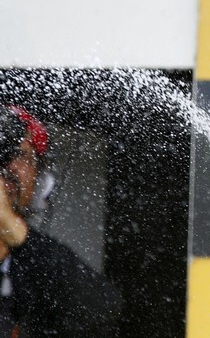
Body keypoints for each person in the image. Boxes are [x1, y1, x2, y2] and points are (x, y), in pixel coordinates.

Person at [0, 105, 123, 336]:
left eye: (19, 153)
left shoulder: (39, 267)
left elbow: (104, 308)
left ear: (41, 181)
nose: (7, 166)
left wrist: (15, 232)